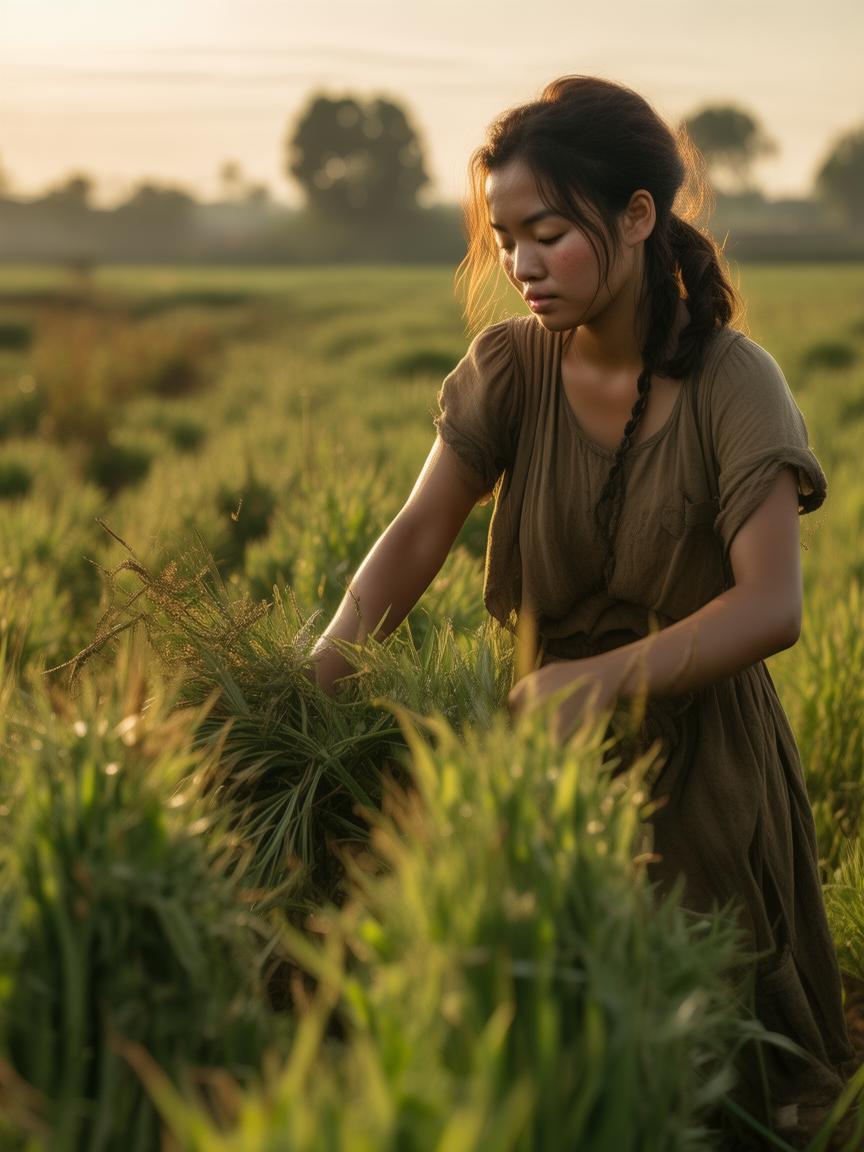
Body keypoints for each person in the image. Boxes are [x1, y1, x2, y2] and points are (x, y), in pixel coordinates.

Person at [311, 76, 853, 1144]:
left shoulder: (737, 386)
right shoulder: (511, 366)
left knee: (707, 1076)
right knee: (535, 1061)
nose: (520, 267)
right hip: (540, 770)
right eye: (506, 238)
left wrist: (595, 679)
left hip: (701, 774)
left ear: (639, 217)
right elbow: (419, 530)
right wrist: (321, 664)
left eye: (548, 234)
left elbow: (771, 606)